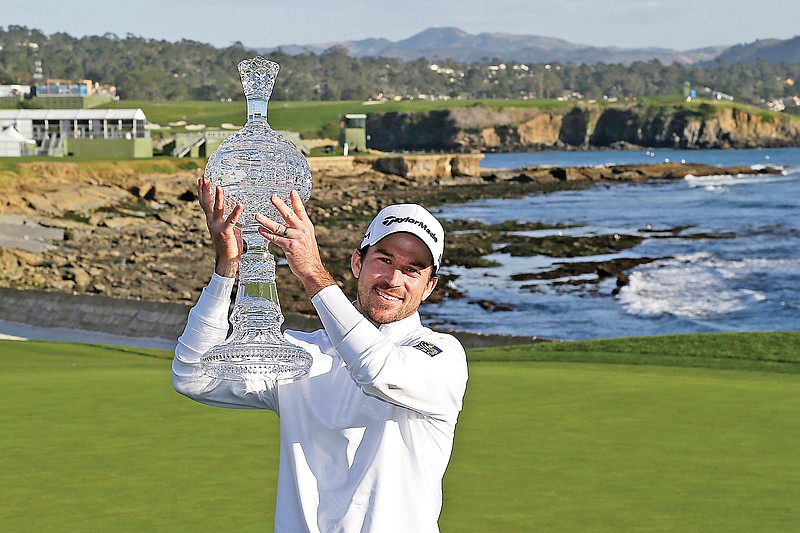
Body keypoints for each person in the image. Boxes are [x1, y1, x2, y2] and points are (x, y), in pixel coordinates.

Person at [173, 178, 468, 533]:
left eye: (412, 270)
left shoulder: (441, 356)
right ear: (358, 263)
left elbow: (376, 369)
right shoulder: (302, 353)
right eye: (384, 260)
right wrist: (226, 268)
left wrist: (312, 272)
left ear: (430, 286)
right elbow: (194, 377)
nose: (392, 278)